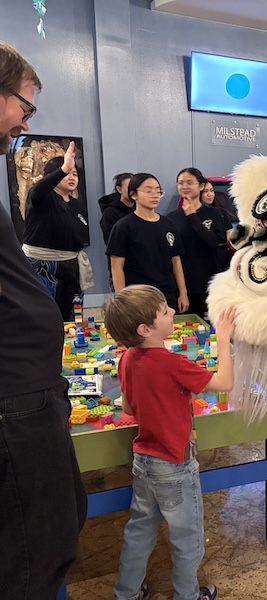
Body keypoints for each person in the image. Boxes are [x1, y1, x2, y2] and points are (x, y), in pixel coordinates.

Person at [0, 40, 87, 599]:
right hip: (15, 402)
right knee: (31, 551)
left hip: (27, 393)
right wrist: (62, 167)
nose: (24, 122)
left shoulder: (69, 203)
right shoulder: (42, 191)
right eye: (25, 108)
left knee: (52, 529)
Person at [103, 285, 236, 600]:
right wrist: (223, 339)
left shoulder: (127, 359)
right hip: (175, 465)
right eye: (164, 311)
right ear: (145, 329)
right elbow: (225, 383)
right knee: (187, 539)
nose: (173, 311)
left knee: (139, 532)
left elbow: (128, 408)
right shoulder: (171, 362)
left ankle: (127, 594)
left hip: (144, 463)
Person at [22, 140, 94, 320]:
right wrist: (63, 168)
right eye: (66, 174)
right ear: (51, 176)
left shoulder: (76, 203)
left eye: (75, 174)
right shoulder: (41, 198)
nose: (71, 177)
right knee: (45, 316)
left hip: (71, 265)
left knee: (71, 316)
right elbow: (38, 190)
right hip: (43, 265)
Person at [106, 172, 189, 312]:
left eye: (158, 191)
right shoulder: (123, 226)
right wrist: (122, 299)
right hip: (138, 296)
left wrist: (183, 292)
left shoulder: (168, 224)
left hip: (166, 293)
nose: (155, 195)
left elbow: (176, 260)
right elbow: (116, 266)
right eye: (148, 191)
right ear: (133, 194)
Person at [168, 168, 231, 317]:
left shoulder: (215, 213)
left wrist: (192, 216)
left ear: (201, 186)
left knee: (212, 329)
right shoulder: (171, 218)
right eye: (181, 183)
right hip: (184, 283)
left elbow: (213, 241)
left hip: (210, 282)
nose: (185, 186)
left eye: (190, 182)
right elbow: (173, 254)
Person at [99, 172, 135, 244]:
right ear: (119, 189)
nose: (133, 190)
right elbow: (111, 242)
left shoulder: (142, 208)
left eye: (135, 187)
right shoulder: (110, 213)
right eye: (129, 187)